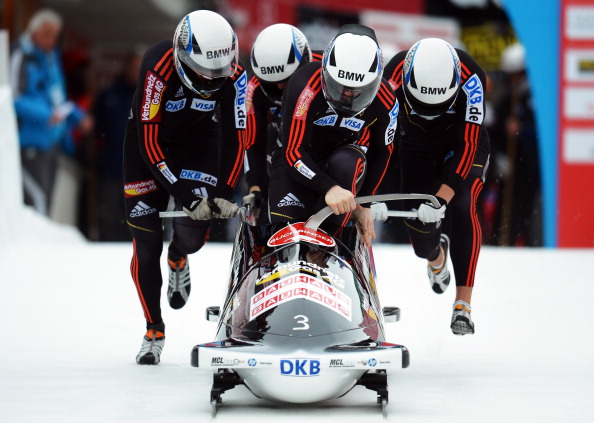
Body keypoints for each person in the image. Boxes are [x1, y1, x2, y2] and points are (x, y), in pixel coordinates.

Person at [123, 10, 247, 364]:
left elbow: (237, 137)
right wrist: (184, 193)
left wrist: (224, 191)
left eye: (217, 73)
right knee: (146, 243)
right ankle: (153, 328)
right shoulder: (156, 67)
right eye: (201, 72)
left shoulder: (236, 76)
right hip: (148, 146)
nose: (210, 80)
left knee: (194, 229)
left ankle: (178, 254)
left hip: (198, 144)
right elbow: (149, 143)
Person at [384, 38, 491, 335]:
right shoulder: (392, 76)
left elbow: (469, 144)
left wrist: (441, 198)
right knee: (419, 232)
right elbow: (375, 131)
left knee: (462, 202)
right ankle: (435, 256)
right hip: (415, 145)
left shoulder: (473, 78)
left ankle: (463, 305)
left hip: (459, 145)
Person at [268, 24, 399, 247]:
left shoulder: (386, 101)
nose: (347, 96)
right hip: (298, 159)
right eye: (339, 87)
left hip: (342, 165)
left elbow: (382, 152)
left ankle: (330, 245)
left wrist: (364, 202)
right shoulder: (305, 85)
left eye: (357, 91)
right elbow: (293, 151)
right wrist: (328, 188)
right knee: (285, 237)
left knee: (346, 160)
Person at [10, 8, 92, 216]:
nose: (51, 40)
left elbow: (57, 99)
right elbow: (12, 96)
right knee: (35, 201)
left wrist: (77, 117)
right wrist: (47, 115)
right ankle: (32, 245)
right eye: (47, 34)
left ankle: (39, 244)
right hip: (29, 140)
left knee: (46, 200)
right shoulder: (22, 55)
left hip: (52, 140)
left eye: (55, 36)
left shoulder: (51, 57)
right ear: (34, 31)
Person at [243, 23, 321, 223]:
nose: (279, 86)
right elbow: (252, 141)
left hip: (321, 143)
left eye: (286, 80)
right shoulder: (253, 90)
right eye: (271, 82)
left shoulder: (327, 71)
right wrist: (255, 187)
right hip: (281, 152)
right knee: (271, 134)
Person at [91, 47, 144, 241]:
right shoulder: (108, 96)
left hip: (142, 171)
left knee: (138, 220)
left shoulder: (152, 96)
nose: (136, 72)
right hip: (112, 168)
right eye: (134, 67)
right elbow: (95, 131)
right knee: (110, 218)